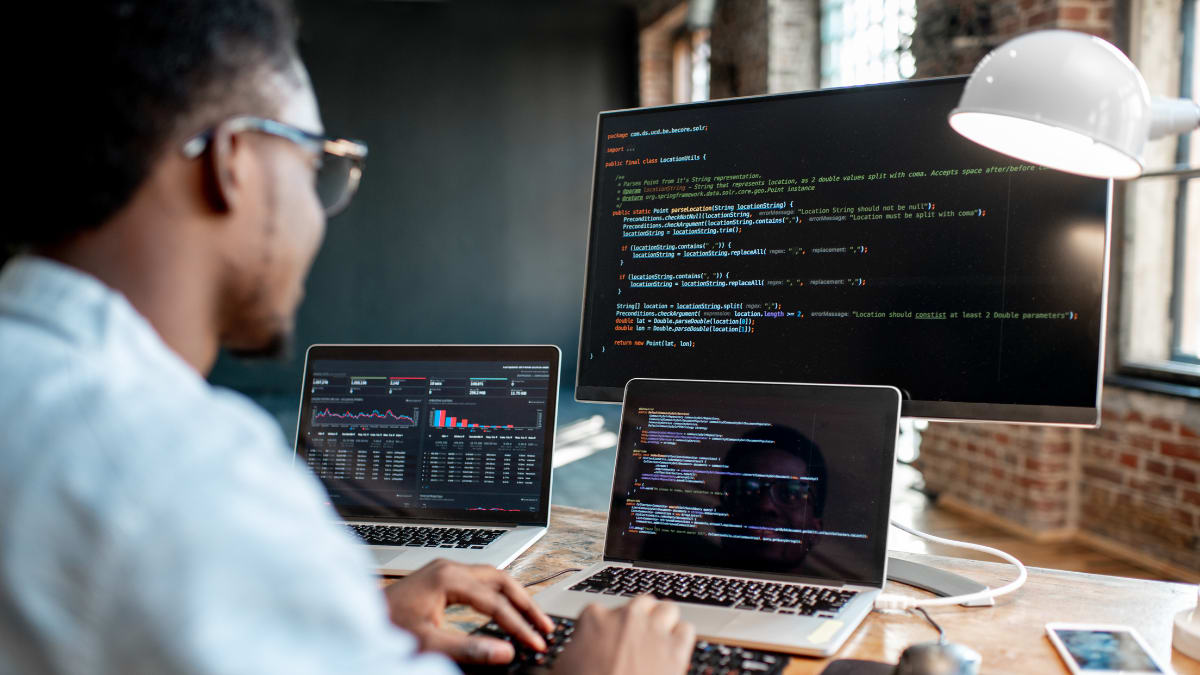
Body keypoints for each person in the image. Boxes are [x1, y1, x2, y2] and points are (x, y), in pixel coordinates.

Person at [0, 2, 694, 673]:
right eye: (315, 165)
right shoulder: (188, 472)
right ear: (233, 161)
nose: (321, 212)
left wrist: (351, 620)